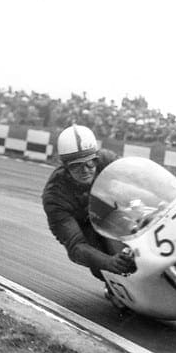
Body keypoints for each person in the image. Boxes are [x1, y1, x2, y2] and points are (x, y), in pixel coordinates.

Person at [42, 124, 136, 309]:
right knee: (109, 265)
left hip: (116, 210)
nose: (85, 170)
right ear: (65, 167)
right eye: (76, 166)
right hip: (87, 230)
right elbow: (76, 246)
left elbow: (138, 179)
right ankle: (114, 285)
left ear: (96, 157)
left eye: (90, 162)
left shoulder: (108, 160)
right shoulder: (54, 196)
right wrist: (109, 262)